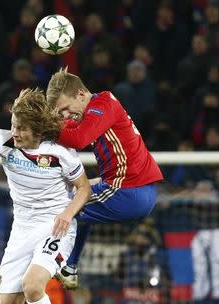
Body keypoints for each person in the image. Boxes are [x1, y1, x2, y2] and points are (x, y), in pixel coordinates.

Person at [0, 88, 91, 304]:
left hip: (55, 228)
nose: (15, 132)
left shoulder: (61, 153)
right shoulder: (3, 141)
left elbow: (84, 188)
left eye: (22, 128)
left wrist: (67, 214)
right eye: (13, 125)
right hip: (21, 231)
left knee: (32, 287)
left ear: (39, 130)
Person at [45, 67, 164, 289]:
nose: (66, 115)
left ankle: (32, 270)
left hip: (127, 191)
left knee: (61, 207)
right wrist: (49, 124)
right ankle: (69, 268)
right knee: (75, 196)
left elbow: (78, 139)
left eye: (66, 109)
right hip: (132, 189)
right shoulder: (92, 111)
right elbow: (68, 128)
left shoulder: (103, 104)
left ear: (81, 94)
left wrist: (42, 127)